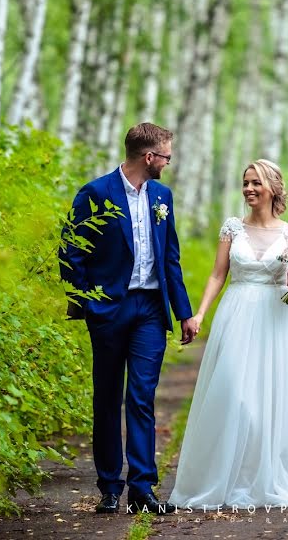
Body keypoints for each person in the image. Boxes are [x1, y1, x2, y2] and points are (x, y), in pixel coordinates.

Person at [168, 159, 288, 508]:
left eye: (256, 182)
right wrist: (199, 314)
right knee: (233, 392)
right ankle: (224, 477)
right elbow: (217, 275)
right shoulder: (232, 228)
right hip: (236, 313)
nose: (249, 189)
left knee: (266, 396)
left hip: (275, 319)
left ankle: (261, 477)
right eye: (245, 183)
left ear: (273, 187)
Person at [59, 122, 198, 515]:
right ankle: (108, 487)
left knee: (141, 396)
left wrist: (182, 312)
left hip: (151, 310)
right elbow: (70, 252)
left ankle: (142, 489)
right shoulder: (95, 192)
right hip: (108, 309)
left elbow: (170, 256)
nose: (169, 163)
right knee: (106, 398)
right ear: (149, 157)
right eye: (167, 156)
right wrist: (87, 302)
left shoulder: (162, 196)